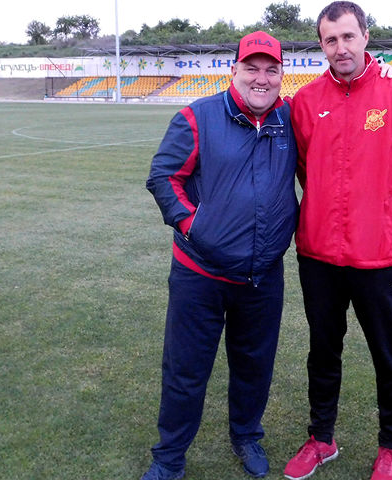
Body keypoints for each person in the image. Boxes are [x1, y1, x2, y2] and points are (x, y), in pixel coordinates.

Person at [283, 2, 392, 480]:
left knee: (388, 355)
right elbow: (304, 169)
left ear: (366, 37)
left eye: (348, 36)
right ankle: (321, 438)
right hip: (319, 254)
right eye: (331, 40)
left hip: (380, 255)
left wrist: (381, 213)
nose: (340, 47)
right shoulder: (306, 102)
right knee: (323, 351)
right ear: (321, 45)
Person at [143, 31, 299, 480]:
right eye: (252, 68)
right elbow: (164, 176)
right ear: (234, 70)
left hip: (262, 276)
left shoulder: (291, 119)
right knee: (185, 371)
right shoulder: (197, 117)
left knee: (254, 367)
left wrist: (379, 70)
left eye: (271, 70)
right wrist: (195, 227)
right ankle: (169, 458)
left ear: (281, 75)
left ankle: (246, 436)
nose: (261, 78)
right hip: (201, 274)